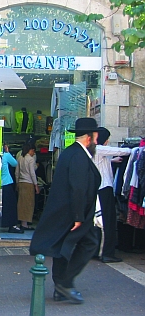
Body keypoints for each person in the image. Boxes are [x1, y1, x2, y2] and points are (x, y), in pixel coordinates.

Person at [29, 117, 101, 304]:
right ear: (90, 137)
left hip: (69, 212)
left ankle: (61, 288)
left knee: (63, 247)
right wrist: (78, 216)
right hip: (75, 213)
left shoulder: (71, 153)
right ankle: (64, 283)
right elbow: (77, 187)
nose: (97, 140)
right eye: (96, 136)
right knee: (90, 242)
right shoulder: (78, 155)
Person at [92, 127, 131, 263]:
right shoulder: (98, 149)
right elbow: (121, 151)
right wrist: (134, 149)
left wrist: (112, 161)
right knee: (106, 222)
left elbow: (102, 162)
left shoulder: (96, 150)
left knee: (98, 222)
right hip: (103, 189)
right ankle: (106, 253)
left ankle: (97, 250)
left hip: (99, 189)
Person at [15, 142, 39, 231]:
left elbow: (16, 172)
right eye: (34, 151)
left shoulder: (20, 158)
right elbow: (32, 173)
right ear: (31, 150)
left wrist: (17, 183)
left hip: (21, 183)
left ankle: (22, 222)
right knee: (29, 204)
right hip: (29, 183)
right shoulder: (31, 159)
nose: (34, 153)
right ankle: (25, 224)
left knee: (21, 204)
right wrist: (36, 185)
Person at [1, 145, 22, 233]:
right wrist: (8, 152)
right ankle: (11, 225)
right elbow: (15, 163)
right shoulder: (5, 155)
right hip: (7, 183)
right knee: (11, 205)